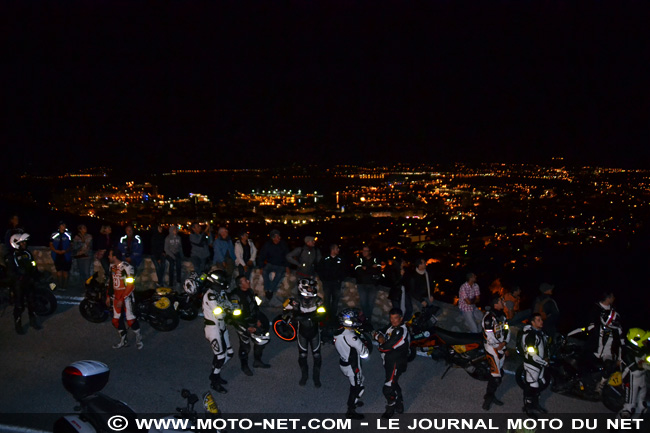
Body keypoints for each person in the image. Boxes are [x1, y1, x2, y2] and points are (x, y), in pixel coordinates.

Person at [283, 277, 327, 387]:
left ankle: (316, 377)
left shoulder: (318, 300)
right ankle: (304, 376)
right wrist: (292, 314)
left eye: (313, 287)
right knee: (302, 355)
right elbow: (284, 312)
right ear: (302, 288)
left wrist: (305, 317)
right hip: (302, 332)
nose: (312, 289)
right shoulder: (295, 300)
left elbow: (323, 315)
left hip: (314, 332)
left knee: (317, 355)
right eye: (310, 288)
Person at [230, 275, 271, 376]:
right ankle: (244, 366)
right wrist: (247, 327)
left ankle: (257, 361)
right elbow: (235, 316)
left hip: (253, 321)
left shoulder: (250, 291)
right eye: (245, 281)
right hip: (242, 324)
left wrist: (258, 319)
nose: (248, 281)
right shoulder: (235, 296)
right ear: (240, 284)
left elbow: (255, 306)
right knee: (245, 346)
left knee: (261, 341)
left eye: (247, 280)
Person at [333, 308, 370, 420]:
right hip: (353, 365)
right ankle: (351, 409)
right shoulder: (351, 337)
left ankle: (354, 402)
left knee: (358, 382)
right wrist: (364, 345)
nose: (356, 319)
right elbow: (364, 353)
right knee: (357, 387)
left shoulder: (338, 332)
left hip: (344, 362)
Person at [585, 291, 624, 394]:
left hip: (607, 351)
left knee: (610, 365)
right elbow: (588, 327)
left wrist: (620, 358)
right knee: (584, 360)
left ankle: (601, 385)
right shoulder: (596, 309)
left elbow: (621, 342)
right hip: (594, 345)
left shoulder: (616, 326)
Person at [202, 269, 234, 394]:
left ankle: (215, 371)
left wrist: (234, 308)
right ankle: (214, 380)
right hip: (213, 328)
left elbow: (228, 304)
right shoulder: (210, 295)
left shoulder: (220, 292)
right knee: (220, 356)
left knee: (229, 353)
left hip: (222, 326)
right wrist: (229, 312)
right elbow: (219, 313)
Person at [375, 308, 410, 419]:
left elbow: (385, 347)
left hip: (396, 362)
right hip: (389, 361)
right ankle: (399, 401)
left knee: (388, 387)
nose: (393, 320)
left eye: (395, 318)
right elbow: (378, 332)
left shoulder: (401, 331)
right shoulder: (391, 327)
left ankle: (391, 406)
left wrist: (381, 342)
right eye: (391, 318)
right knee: (394, 382)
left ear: (401, 318)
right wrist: (379, 337)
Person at [108, 248, 143, 350]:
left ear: (114, 256)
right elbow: (111, 282)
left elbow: (130, 285)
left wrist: (122, 299)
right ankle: (123, 340)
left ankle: (138, 338)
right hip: (116, 296)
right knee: (115, 320)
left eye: (110, 255)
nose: (108, 257)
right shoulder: (111, 266)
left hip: (126, 297)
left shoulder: (127, 267)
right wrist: (107, 296)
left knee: (130, 320)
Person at [8, 233, 41, 334]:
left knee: (32, 302)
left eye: (25, 242)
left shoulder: (27, 253)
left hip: (28, 281)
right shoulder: (12, 256)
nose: (24, 244)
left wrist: (35, 273)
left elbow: (33, 264)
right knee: (19, 305)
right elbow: (12, 272)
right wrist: (20, 276)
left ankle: (32, 321)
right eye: (22, 242)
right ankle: (18, 325)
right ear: (16, 243)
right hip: (19, 284)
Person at [482, 296, 510, 410]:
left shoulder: (502, 316)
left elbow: (507, 330)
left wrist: (504, 343)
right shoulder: (488, 318)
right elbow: (489, 336)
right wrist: (499, 346)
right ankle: (487, 400)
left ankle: (491, 394)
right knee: (496, 376)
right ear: (495, 304)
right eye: (500, 301)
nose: (503, 302)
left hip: (501, 346)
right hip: (492, 348)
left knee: (498, 373)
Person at [520, 313, 549, 415]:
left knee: (541, 383)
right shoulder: (530, 336)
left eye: (541, 319)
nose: (541, 321)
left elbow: (543, 347)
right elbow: (532, 354)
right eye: (538, 320)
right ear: (532, 322)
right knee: (532, 386)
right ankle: (528, 407)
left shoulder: (540, 333)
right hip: (531, 364)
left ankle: (535, 404)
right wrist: (544, 362)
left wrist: (545, 357)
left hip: (539, 364)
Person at [619, 328, 650, 418]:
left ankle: (633, 424)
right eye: (644, 340)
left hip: (641, 379)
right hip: (631, 380)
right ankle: (614, 427)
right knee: (628, 408)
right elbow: (635, 370)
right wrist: (645, 366)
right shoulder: (627, 351)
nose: (646, 342)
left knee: (642, 406)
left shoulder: (642, 350)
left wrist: (645, 364)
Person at [318, 244, 348, 324]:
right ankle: (326, 317)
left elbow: (344, 270)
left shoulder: (340, 259)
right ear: (333, 250)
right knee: (327, 300)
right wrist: (323, 279)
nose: (338, 250)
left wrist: (340, 279)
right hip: (327, 283)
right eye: (337, 249)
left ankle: (333, 317)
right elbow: (320, 269)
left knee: (335, 301)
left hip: (336, 283)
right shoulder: (325, 258)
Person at [256, 229, 289, 300]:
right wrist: (261, 267)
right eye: (277, 236)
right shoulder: (268, 245)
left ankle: (270, 290)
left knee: (279, 274)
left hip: (280, 264)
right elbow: (261, 255)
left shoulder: (283, 244)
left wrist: (287, 266)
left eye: (279, 236)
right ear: (273, 238)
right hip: (270, 264)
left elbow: (287, 256)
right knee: (264, 272)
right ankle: (267, 289)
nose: (279, 238)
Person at [354, 246, 382, 326]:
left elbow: (378, 270)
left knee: (370, 303)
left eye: (366, 251)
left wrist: (366, 268)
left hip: (372, 285)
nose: (364, 252)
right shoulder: (359, 259)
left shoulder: (375, 259)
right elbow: (358, 270)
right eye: (363, 250)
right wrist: (371, 269)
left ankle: (368, 320)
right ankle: (364, 319)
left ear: (370, 251)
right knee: (363, 303)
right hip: (362, 284)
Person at [50, 221, 73, 290]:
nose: (64, 226)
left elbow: (71, 244)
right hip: (57, 255)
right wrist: (56, 251)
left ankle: (65, 286)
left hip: (66, 255)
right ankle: (60, 285)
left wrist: (66, 251)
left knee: (66, 271)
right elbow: (51, 244)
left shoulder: (68, 234)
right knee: (59, 271)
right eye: (62, 225)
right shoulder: (54, 234)